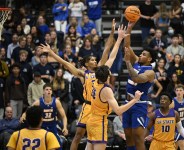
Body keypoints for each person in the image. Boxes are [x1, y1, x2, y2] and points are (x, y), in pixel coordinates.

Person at [40, 20, 128, 150]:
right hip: (88, 106)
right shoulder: (83, 73)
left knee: (93, 140)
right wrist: (52, 53)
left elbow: (109, 51)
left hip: (99, 108)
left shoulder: (100, 70)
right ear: (86, 64)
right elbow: (66, 63)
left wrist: (113, 33)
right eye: (91, 60)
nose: (95, 60)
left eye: (95, 59)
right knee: (78, 136)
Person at [86, 65, 143, 150]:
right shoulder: (106, 90)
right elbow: (118, 111)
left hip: (91, 121)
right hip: (99, 123)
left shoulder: (95, 82)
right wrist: (135, 99)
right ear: (108, 77)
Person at [123, 21, 155, 150]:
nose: (140, 55)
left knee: (138, 137)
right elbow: (127, 46)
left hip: (140, 105)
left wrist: (127, 63)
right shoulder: (136, 61)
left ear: (149, 59)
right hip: (127, 103)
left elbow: (137, 78)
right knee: (128, 136)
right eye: (140, 54)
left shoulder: (150, 72)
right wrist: (129, 29)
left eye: (144, 55)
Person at [20, 83, 68, 149]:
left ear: (52, 92)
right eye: (47, 89)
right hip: (42, 126)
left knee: (58, 145)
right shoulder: (39, 102)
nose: (48, 91)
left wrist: (65, 127)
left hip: (53, 126)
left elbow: (64, 116)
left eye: (50, 89)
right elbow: (29, 109)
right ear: (43, 91)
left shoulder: (56, 102)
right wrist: (23, 114)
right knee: (41, 145)